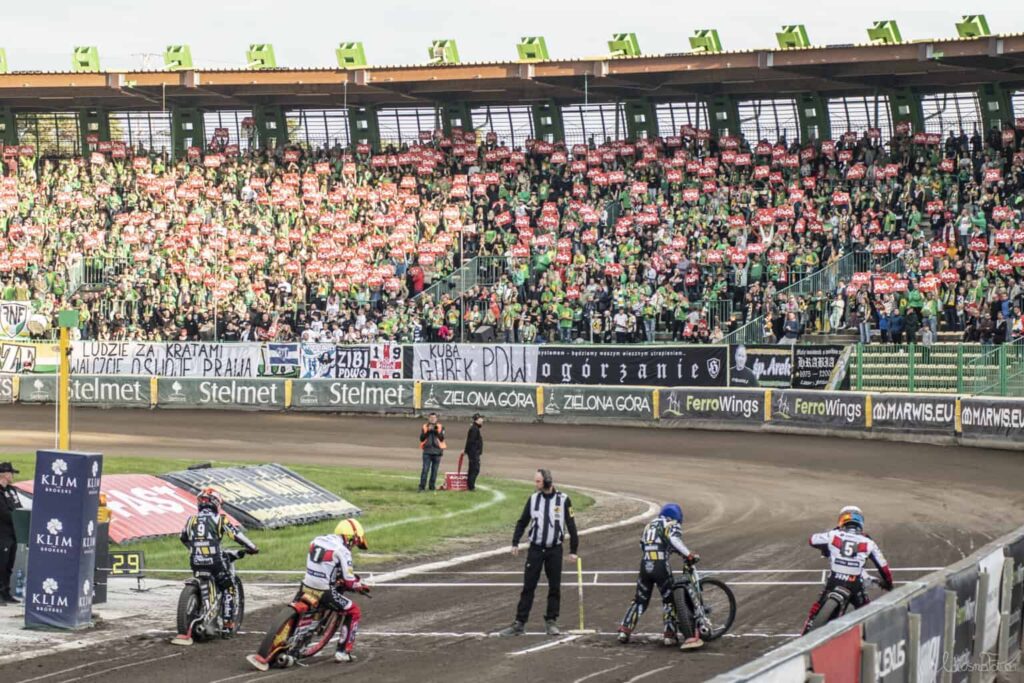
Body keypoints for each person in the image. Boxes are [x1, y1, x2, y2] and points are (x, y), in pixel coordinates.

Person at [248, 519, 370, 671]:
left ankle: (288, 638)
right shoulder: (343, 551)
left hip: (306, 585)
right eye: (355, 542)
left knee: (301, 610)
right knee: (353, 610)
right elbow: (350, 581)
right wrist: (361, 586)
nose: (353, 546)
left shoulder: (317, 540)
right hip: (324, 590)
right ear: (351, 537)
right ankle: (343, 652)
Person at [499, 469, 579, 637]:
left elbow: (571, 525)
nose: (535, 484)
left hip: (554, 550)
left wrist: (573, 550)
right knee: (528, 586)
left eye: (538, 481)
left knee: (554, 586)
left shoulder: (564, 500)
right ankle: (519, 623)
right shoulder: (533, 499)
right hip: (535, 549)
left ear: (547, 482)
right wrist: (515, 542)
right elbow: (522, 521)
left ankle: (551, 621)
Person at [617, 503, 704, 650]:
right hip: (661, 565)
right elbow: (674, 540)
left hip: (645, 564)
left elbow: (642, 545)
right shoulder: (671, 524)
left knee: (640, 600)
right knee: (669, 600)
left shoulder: (649, 525)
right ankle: (669, 634)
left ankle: (624, 630)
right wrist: (688, 554)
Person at [801, 506, 894, 634]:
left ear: (842, 521)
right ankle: (869, 638)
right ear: (860, 523)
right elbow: (883, 566)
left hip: (834, 580)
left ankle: (805, 633)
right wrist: (888, 583)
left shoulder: (833, 534)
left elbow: (812, 540)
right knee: (866, 613)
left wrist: (826, 546)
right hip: (854, 583)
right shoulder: (868, 542)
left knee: (816, 609)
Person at [179, 488, 259, 633]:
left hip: (195, 561)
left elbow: (183, 538)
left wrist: (195, 548)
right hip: (214, 561)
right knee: (229, 587)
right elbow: (236, 535)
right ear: (216, 503)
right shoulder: (220, 519)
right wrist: (252, 547)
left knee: (204, 577)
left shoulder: (191, 520)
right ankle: (228, 625)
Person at [0, 462, 22, 605]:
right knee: (1, 564)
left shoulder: (12, 490)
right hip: (2, 533)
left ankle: (6, 592)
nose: (13, 475)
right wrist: (16, 517)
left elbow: (18, 507)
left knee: (9, 565)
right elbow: (4, 513)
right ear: (4, 474)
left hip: (13, 533)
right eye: (11, 473)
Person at [418, 412, 447, 492]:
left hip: (437, 452)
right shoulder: (425, 426)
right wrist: (428, 431)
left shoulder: (440, 427)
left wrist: (435, 431)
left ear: (436, 419)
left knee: (434, 471)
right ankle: (422, 487)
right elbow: (421, 438)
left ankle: (432, 486)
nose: (432, 419)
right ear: (428, 418)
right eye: (431, 418)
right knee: (425, 470)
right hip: (427, 451)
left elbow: (442, 438)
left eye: (434, 418)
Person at [461, 413, 484, 492]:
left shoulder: (475, 428)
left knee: (473, 469)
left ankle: (470, 485)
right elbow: (470, 441)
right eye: (481, 419)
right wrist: (467, 451)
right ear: (477, 420)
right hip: (474, 453)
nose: (482, 420)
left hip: (473, 452)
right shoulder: (474, 429)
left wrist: (466, 450)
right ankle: (471, 486)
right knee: (475, 469)